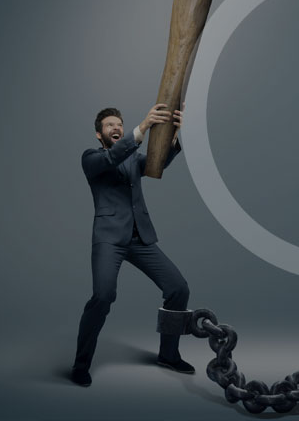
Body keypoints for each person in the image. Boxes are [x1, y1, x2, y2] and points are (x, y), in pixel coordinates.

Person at [70, 103, 193, 387]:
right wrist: (144, 127)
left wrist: (173, 133)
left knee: (178, 288)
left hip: (140, 239)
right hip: (109, 239)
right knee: (103, 297)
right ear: (99, 135)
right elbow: (112, 158)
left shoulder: (131, 158)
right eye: (110, 125)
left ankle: (168, 355)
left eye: (119, 124)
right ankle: (80, 365)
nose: (116, 128)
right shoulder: (91, 159)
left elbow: (156, 163)